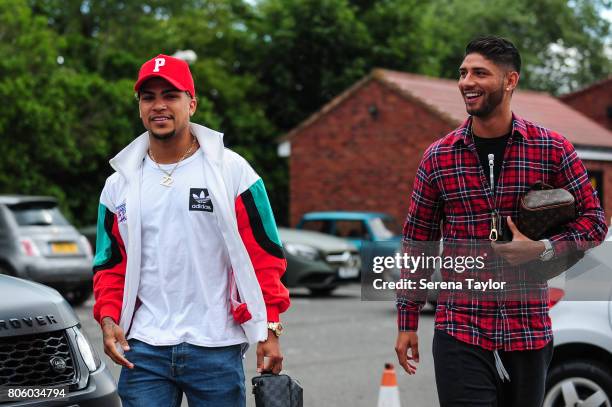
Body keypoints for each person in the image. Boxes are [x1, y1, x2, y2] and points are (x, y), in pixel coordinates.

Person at [394, 36, 607, 407]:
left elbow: (594, 221)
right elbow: (417, 243)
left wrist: (543, 249)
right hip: (460, 327)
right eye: (463, 73)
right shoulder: (438, 157)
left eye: (480, 73)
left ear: (510, 81)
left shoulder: (552, 148)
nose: (466, 82)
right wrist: (407, 321)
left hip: (527, 328)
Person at [92, 54, 290, 407]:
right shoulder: (118, 184)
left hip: (215, 345)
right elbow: (110, 264)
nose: (159, 105)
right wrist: (108, 318)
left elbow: (265, 255)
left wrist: (270, 328)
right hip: (143, 348)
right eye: (148, 97)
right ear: (139, 107)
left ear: (192, 104)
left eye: (170, 95)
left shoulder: (233, 171)